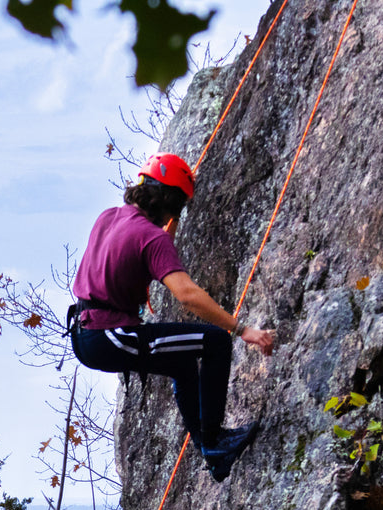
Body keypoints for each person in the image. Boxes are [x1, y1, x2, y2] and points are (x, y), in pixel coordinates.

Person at [70, 152, 275, 481]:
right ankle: (214, 441)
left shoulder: (109, 218)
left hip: (86, 332)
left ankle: (213, 451)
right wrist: (242, 329)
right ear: (168, 201)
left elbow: (146, 251)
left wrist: (169, 226)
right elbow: (187, 294)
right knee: (216, 341)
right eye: (178, 204)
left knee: (182, 364)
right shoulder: (151, 238)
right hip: (110, 335)